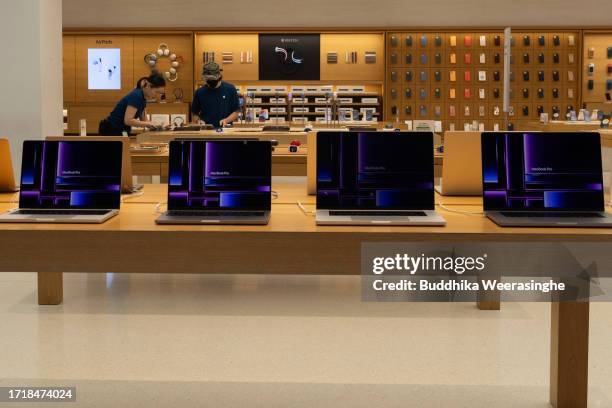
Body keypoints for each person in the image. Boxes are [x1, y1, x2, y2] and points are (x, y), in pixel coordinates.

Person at [99, 71, 166, 136]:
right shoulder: (136, 96)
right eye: (156, 92)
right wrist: (148, 124)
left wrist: (159, 127)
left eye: (160, 94)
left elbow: (144, 120)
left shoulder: (143, 98)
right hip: (112, 130)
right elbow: (128, 120)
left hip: (122, 130)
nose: (157, 96)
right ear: (148, 86)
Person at [192, 62, 240, 128]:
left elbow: (236, 112)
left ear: (219, 77)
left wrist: (226, 120)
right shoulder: (199, 92)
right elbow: (195, 114)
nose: (211, 82)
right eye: (209, 80)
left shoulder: (230, 89)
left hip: (225, 131)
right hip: (206, 131)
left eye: (213, 80)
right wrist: (198, 121)